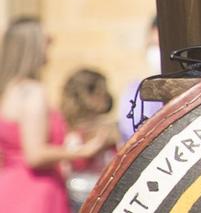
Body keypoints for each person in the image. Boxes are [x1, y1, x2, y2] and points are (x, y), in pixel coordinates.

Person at [0, 19, 106, 213]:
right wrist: (83, 151)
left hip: (10, 189)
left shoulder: (9, 91)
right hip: (34, 193)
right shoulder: (33, 92)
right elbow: (35, 155)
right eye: (46, 41)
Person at [57, 68, 116, 210]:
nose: (107, 97)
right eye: (101, 92)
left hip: (98, 190)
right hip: (79, 193)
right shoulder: (66, 128)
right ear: (87, 95)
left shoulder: (106, 126)